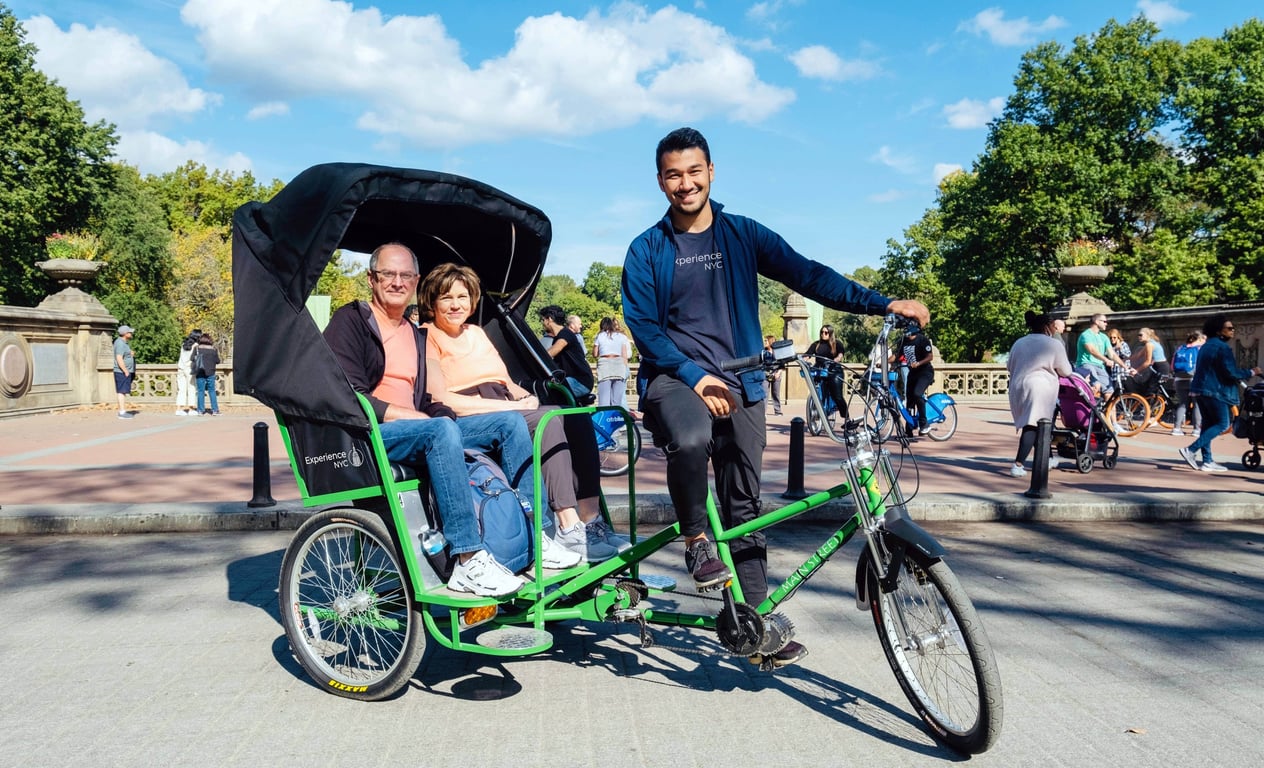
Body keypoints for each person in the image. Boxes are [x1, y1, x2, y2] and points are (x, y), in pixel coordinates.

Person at [621, 126, 929, 669]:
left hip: (742, 380)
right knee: (691, 439)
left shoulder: (742, 235)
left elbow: (809, 275)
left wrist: (883, 304)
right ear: (660, 181)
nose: (685, 183)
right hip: (676, 377)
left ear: (712, 172)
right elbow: (643, 327)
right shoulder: (647, 249)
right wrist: (694, 376)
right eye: (674, 174)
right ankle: (695, 538)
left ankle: (755, 622)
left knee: (745, 505)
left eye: (695, 171)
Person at [325, 242, 577, 596]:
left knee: (509, 423)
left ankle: (538, 536)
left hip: (419, 427)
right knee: (441, 429)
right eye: (388, 274)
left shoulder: (414, 333)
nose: (397, 282)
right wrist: (419, 418)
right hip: (373, 432)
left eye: (405, 275)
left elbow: (431, 397)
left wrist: (440, 418)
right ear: (371, 279)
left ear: (415, 281)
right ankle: (467, 559)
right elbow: (348, 393)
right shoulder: (352, 321)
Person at [418, 262, 628, 562]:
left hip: (504, 401)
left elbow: (504, 380)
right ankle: (567, 525)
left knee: (574, 414)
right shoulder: (428, 336)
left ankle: (590, 521)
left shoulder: (476, 333)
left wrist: (525, 397)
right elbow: (442, 397)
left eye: (462, 297)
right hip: (472, 412)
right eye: (446, 297)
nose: (455, 305)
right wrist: (512, 406)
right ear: (432, 302)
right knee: (549, 420)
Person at [1178, 315, 1261, 473]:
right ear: (1219, 331)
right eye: (1229, 328)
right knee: (1223, 424)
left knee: (1208, 424)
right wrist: (1251, 371)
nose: (1233, 330)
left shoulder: (1207, 345)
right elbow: (1231, 371)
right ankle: (1190, 450)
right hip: (1215, 390)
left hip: (1200, 389)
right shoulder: (1222, 348)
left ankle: (1207, 461)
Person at [1006, 311, 1073, 477]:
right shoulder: (1053, 344)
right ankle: (1018, 464)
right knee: (1033, 425)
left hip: (1018, 386)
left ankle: (1047, 457)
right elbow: (1066, 371)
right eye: (1053, 326)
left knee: (1039, 425)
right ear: (1046, 327)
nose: (1055, 330)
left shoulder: (1019, 342)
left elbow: (1009, 365)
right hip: (1040, 386)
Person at [539, 305, 594, 399]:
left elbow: (553, 351)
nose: (543, 323)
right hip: (572, 380)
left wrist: (534, 358)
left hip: (580, 381)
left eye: (543, 320)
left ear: (549, 319)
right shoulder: (558, 337)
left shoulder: (566, 334)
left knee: (547, 394)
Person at [1074, 313, 1125, 398]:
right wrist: (1106, 360)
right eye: (1104, 321)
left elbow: (1112, 354)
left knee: (1109, 392)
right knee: (1096, 386)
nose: (1106, 323)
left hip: (1100, 366)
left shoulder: (1104, 337)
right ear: (1097, 322)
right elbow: (1092, 351)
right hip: (1086, 364)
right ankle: (1091, 408)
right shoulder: (1086, 335)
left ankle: (1109, 411)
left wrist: (1125, 367)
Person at [1169, 331, 1205, 436]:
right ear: (1199, 339)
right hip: (1193, 379)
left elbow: (1172, 366)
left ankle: (1176, 428)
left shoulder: (1180, 348)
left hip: (1179, 379)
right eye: (1203, 339)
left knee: (1182, 403)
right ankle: (1197, 430)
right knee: (1197, 404)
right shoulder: (1199, 349)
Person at [902, 324, 935, 436]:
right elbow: (897, 356)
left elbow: (930, 356)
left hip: (925, 372)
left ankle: (924, 424)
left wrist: (919, 363)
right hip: (913, 373)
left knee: (917, 394)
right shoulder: (903, 341)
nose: (905, 331)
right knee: (909, 401)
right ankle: (909, 430)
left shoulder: (922, 340)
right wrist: (884, 362)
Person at [593, 317, 632, 409]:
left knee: (604, 400)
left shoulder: (600, 336)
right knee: (617, 401)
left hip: (605, 365)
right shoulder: (621, 336)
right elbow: (624, 354)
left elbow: (595, 354)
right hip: (619, 365)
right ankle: (616, 420)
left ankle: (604, 420)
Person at [193, 332, 221, 415]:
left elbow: (192, 358)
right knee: (212, 391)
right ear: (209, 340)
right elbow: (217, 361)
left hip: (200, 372)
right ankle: (215, 410)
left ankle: (200, 410)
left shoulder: (197, 349)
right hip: (211, 372)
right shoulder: (213, 350)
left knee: (200, 391)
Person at [113, 325, 136, 420]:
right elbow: (119, 358)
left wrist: (130, 354)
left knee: (123, 391)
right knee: (121, 391)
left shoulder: (123, 343)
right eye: (130, 332)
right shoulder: (120, 343)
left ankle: (122, 411)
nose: (131, 333)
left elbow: (123, 354)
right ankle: (122, 412)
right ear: (125, 334)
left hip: (125, 371)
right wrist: (125, 370)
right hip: (121, 372)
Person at [175, 330, 199, 416]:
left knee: (181, 389)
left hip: (181, 368)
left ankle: (179, 409)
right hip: (189, 369)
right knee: (191, 388)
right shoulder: (195, 346)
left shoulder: (183, 344)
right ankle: (191, 409)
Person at [762, 335, 783, 416]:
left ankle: (778, 411)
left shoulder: (777, 352)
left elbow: (782, 364)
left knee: (775, 393)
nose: (764, 342)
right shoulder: (763, 352)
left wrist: (778, 373)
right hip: (766, 375)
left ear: (770, 342)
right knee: (764, 393)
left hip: (776, 374)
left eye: (766, 341)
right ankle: (763, 412)